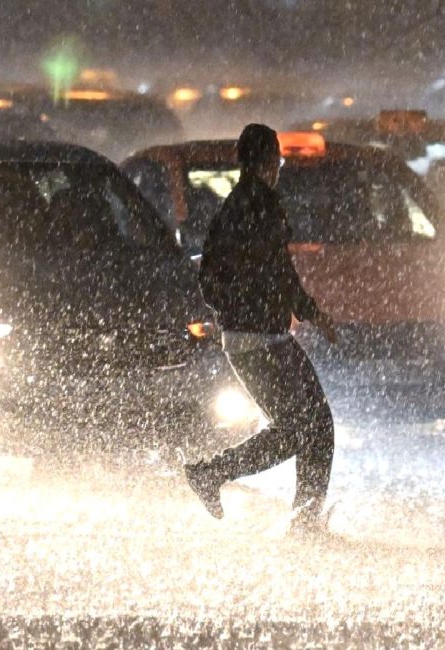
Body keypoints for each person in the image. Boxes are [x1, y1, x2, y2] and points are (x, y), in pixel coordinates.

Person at [184, 123, 339, 534]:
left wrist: (233, 313)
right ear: (271, 162)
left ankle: (305, 521)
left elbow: (212, 276)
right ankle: (214, 474)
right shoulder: (260, 206)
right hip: (261, 339)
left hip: (258, 336)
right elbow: (280, 272)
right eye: (279, 160)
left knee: (312, 425)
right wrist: (302, 312)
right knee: (303, 428)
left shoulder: (235, 208)